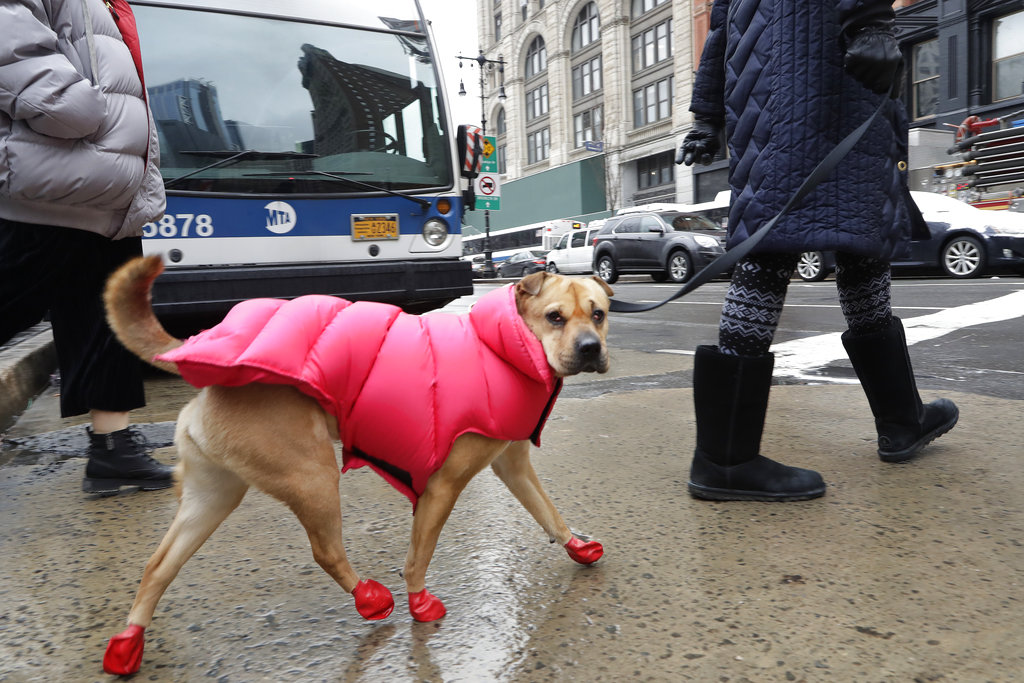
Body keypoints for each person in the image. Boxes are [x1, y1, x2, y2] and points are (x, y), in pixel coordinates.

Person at [676, 0, 958, 501]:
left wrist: (706, 114)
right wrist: (871, 19)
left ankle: (900, 421)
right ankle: (726, 460)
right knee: (819, 245)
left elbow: (721, 26)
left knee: (835, 245)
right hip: (826, 71)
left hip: (761, 93)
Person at [0, 0, 172, 494]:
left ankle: (113, 452)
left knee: (107, 315)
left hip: (104, 184)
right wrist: (75, 109)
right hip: (55, 179)